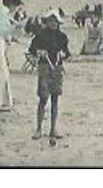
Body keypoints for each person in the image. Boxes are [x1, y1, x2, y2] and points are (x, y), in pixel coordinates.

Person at [29, 10, 70, 140]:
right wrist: (38, 52)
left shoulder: (62, 37)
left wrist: (64, 55)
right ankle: (39, 129)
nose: (53, 23)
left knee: (55, 99)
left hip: (57, 68)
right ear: (47, 22)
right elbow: (31, 50)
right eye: (50, 21)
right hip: (44, 67)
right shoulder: (40, 35)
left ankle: (53, 129)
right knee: (43, 98)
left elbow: (67, 52)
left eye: (55, 21)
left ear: (58, 23)